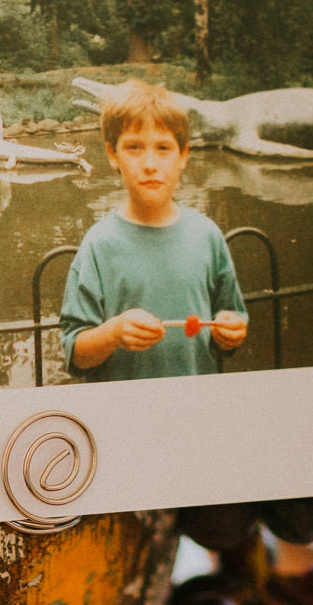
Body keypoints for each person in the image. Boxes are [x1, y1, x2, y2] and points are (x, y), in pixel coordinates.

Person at [60, 79, 247, 380]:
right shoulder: (98, 244)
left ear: (183, 155)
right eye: (134, 147)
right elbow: (76, 352)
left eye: (163, 148)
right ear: (112, 154)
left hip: (194, 404)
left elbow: (233, 320)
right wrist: (112, 334)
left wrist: (232, 331)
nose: (149, 164)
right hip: (124, 413)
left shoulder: (208, 236)